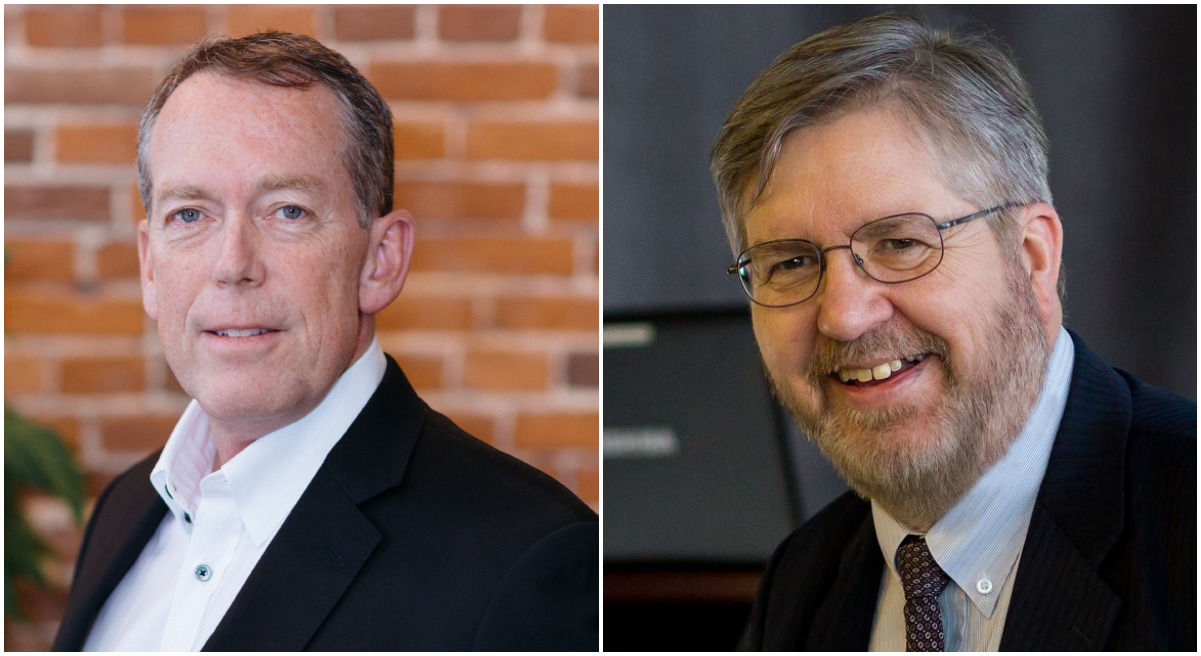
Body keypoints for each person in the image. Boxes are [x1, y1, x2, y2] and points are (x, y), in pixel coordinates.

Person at [52, 32, 597, 652]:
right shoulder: (123, 511)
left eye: (287, 211)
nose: (232, 265)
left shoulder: (527, 563)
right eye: (190, 215)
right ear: (150, 267)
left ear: (380, 261)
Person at [710, 14, 1195, 651]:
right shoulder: (800, 587)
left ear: (1031, 256)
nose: (844, 315)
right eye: (791, 263)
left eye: (900, 243)